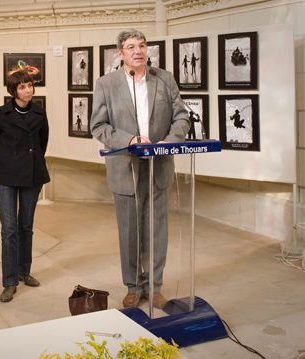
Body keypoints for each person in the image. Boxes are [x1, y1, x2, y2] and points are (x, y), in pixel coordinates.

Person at [90, 29, 190, 309]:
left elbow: (182, 115)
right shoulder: (106, 84)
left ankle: (155, 287)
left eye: (142, 45)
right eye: (131, 47)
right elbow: (98, 126)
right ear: (120, 54)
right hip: (125, 168)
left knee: (157, 229)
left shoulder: (164, 79)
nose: (138, 51)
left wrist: (169, 144)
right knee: (130, 231)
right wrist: (129, 140)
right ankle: (134, 286)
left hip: (159, 166)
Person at [0, 70, 50, 303]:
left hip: (32, 175)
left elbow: (43, 142)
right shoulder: (0, 114)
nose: (28, 90)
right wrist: (7, 164)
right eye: (23, 87)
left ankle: (25, 271)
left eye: (30, 85)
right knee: (9, 229)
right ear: (13, 91)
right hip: (5, 176)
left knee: (26, 226)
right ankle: (9, 281)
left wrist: (30, 163)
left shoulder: (39, 113)